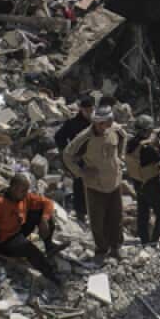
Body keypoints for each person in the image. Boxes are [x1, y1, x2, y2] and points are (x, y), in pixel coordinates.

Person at [63, 106, 126, 262]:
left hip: (114, 182)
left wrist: (120, 158)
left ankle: (116, 248)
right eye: (106, 122)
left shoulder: (115, 130)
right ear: (98, 123)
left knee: (116, 217)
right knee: (97, 220)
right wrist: (81, 173)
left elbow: (124, 137)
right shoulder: (85, 138)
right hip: (95, 186)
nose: (110, 124)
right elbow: (67, 155)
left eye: (110, 121)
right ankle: (101, 249)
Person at [0, 173, 63, 285]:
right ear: (13, 188)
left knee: (44, 215)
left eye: (26, 190)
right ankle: (51, 275)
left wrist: (44, 219)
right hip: (5, 242)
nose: (26, 193)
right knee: (31, 250)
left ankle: (49, 246)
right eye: (23, 190)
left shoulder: (24, 197)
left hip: (18, 229)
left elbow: (48, 202)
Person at [125, 115, 160, 244]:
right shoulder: (147, 148)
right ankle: (154, 241)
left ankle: (144, 242)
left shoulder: (130, 144)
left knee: (143, 215)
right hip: (152, 185)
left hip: (138, 184)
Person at [54, 96, 95, 219]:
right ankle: (81, 212)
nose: (89, 113)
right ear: (81, 109)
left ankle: (93, 212)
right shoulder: (73, 123)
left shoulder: (96, 122)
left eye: (91, 110)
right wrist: (68, 153)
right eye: (87, 110)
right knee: (79, 185)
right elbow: (59, 137)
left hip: (94, 159)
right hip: (79, 159)